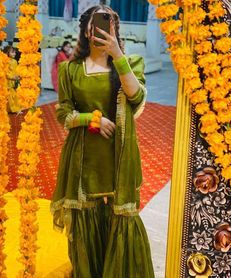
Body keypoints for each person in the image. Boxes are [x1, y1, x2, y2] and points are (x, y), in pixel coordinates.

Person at [50, 5, 154, 278]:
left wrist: (117, 55)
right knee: (86, 216)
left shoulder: (129, 64)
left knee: (121, 217)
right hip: (84, 156)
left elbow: (137, 98)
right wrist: (91, 119)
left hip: (120, 154)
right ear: (85, 30)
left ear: (116, 32)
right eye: (96, 24)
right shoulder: (70, 69)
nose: (102, 31)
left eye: (109, 26)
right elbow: (63, 112)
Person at [3, 46, 21, 113]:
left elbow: (16, 70)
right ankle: (11, 109)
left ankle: (16, 108)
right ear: (7, 53)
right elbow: (6, 72)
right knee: (9, 96)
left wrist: (18, 76)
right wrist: (11, 77)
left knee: (16, 95)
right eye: (12, 52)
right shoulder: (5, 61)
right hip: (8, 81)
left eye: (15, 52)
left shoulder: (15, 61)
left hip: (15, 80)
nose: (14, 54)